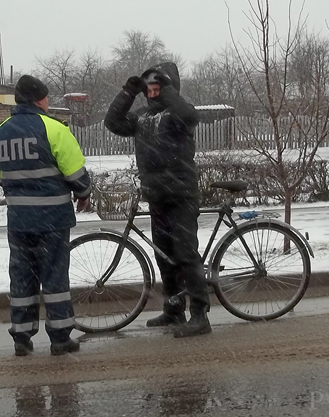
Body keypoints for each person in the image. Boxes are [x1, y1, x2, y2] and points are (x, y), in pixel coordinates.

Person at [105, 62, 211, 338]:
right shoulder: (141, 117)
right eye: (149, 89)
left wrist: (166, 91)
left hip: (182, 195)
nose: (152, 94)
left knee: (186, 255)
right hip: (157, 197)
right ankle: (173, 309)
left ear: (168, 89)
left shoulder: (177, 115)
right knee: (164, 256)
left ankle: (200, 315)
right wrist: (129, 92)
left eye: (157, 89)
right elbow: (113, 122)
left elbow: (190, 116)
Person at [0, 74, 91, 356]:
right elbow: (76, 173)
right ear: (39, 99)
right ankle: (59, 338)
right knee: (55, 277)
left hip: (19, 220)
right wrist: (83, 192)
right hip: (52, 219)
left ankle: (22, 337)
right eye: (46, 97)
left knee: (22, 277)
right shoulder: (54, 129)